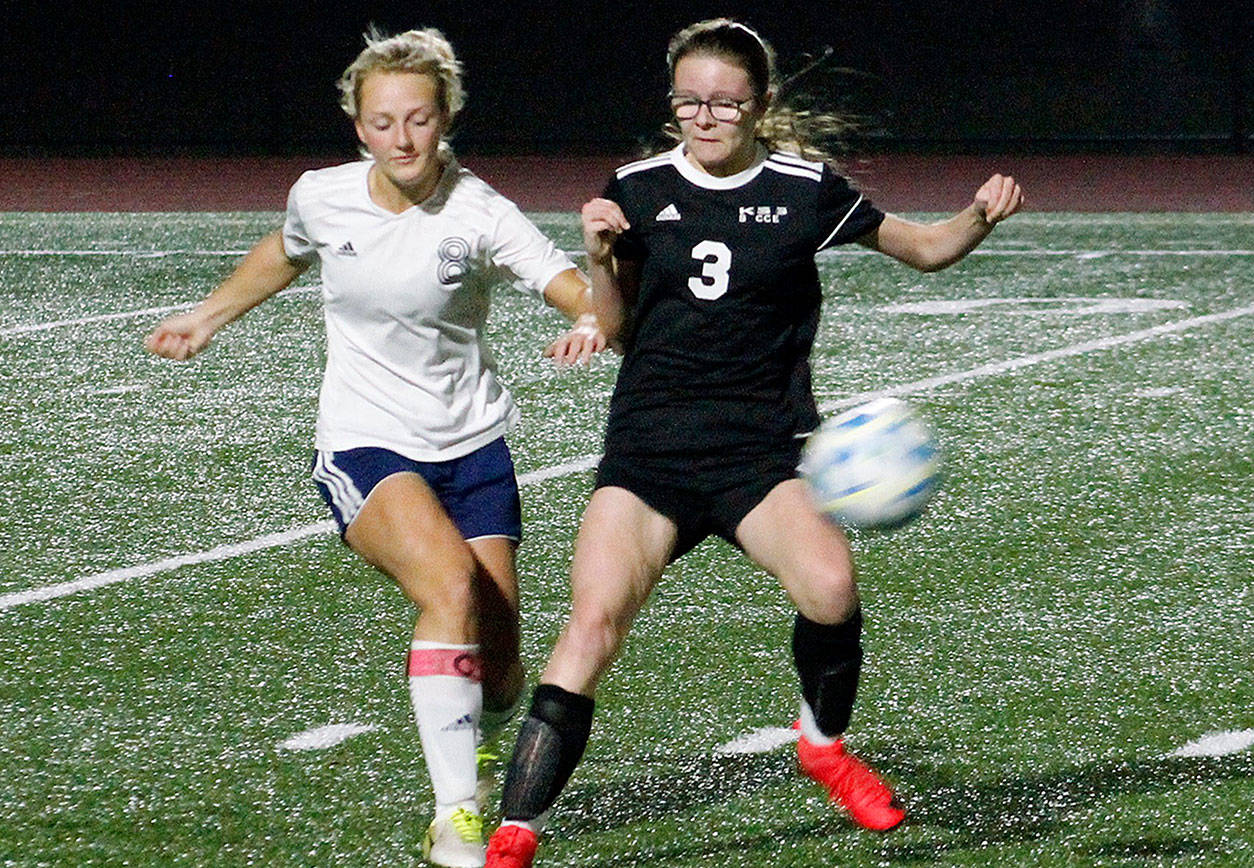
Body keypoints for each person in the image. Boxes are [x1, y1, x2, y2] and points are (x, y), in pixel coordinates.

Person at [484, 17, 1024, 866]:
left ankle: (821, 746)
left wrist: (978, 217)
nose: (705, 117)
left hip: (763, 453)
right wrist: (595, 264)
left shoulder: (806, 189)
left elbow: (923, 249)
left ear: (759, 105)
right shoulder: (632, 186)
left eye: (725, 103)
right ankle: (513, 834)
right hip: (651, 453)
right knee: (591, 629)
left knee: (832, 588)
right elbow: (620, 328)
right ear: (673, 104)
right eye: (689, 101)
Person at [144, 27, 605, 868]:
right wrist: (207, 317)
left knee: (500, 668)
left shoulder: (480, 211)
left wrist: (585, 314)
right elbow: (283, 253)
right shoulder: (321, 196)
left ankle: (480, 739)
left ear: (446, 118)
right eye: (383, 121)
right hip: (364, 441)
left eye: (419, 120)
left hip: (472, 446)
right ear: (359, 126)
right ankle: (454, 815)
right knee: (450, 589)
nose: (402, 138)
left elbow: (563, 280)